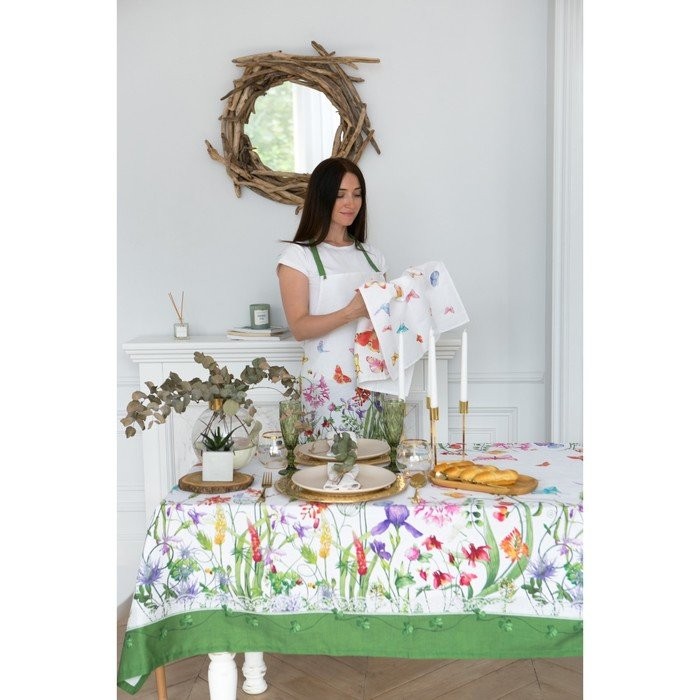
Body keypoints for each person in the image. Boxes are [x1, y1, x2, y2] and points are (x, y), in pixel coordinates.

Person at [277, 157, 387, 439]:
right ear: (322, 197)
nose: (350, 203)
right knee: (327, 463)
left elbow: (386, 321)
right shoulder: (298, 257)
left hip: (374, 383)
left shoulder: (372, 257)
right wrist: (351, 312)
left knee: (376, 462)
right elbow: (299, 328)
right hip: (326, 387)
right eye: (340, 195)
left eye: (357, 194)